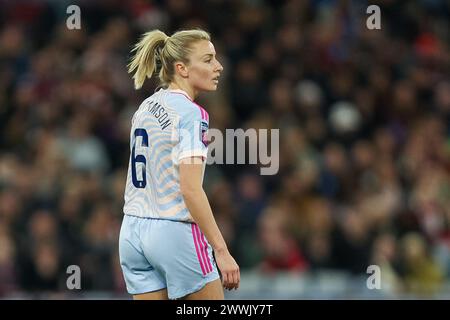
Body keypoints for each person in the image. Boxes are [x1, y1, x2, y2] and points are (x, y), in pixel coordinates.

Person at [119, 29, 240, 300]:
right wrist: (221, 250)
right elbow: (190, 189)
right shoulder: (192, 114)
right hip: (173, 231)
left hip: (131, 232)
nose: (218, 66)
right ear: (182, 68)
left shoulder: (146, 106)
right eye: (208, 59)